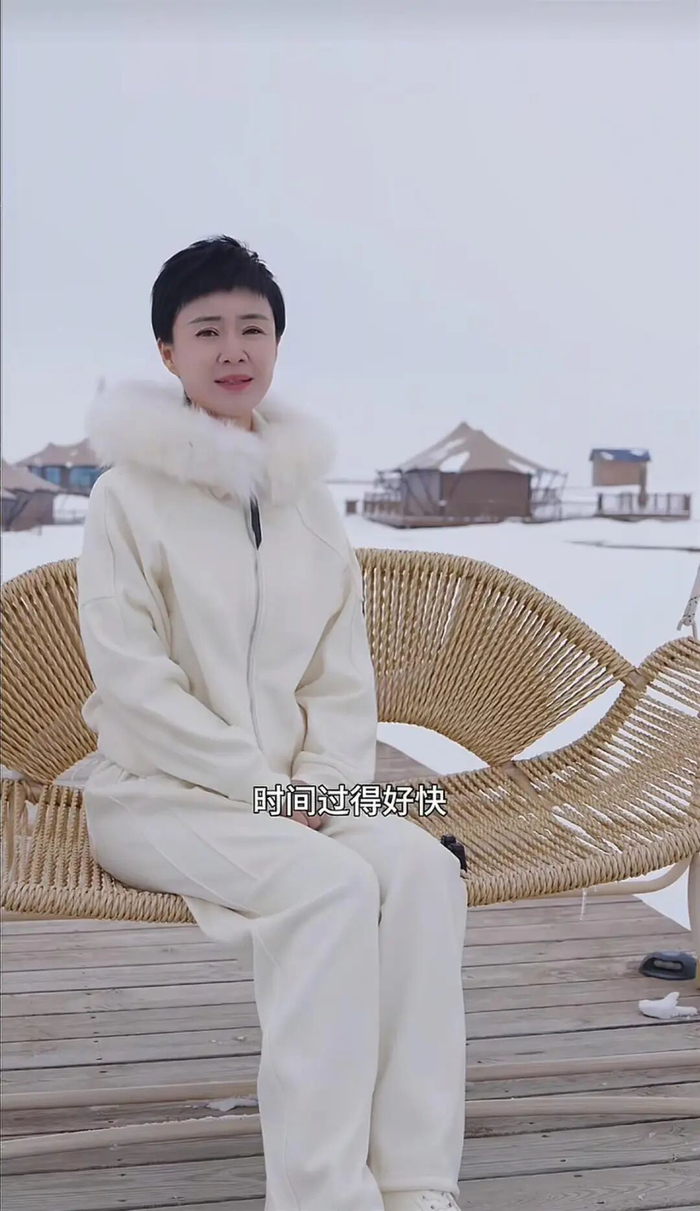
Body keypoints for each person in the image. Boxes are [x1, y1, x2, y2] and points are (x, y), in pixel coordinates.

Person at [77, 235, 467, 1211]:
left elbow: (341, 674)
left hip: (303, 791)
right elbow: (134, 683)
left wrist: (319, 784)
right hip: (158, 792)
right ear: (167, 351)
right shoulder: (126, 498)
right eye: (206, 328)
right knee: (331, 887)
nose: (233, 348)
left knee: (422, 869)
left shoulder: (310, 504)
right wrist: (263, 788)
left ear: (278, 343)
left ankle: (417, 1182)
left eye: (252, 326)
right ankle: (325, 1195)